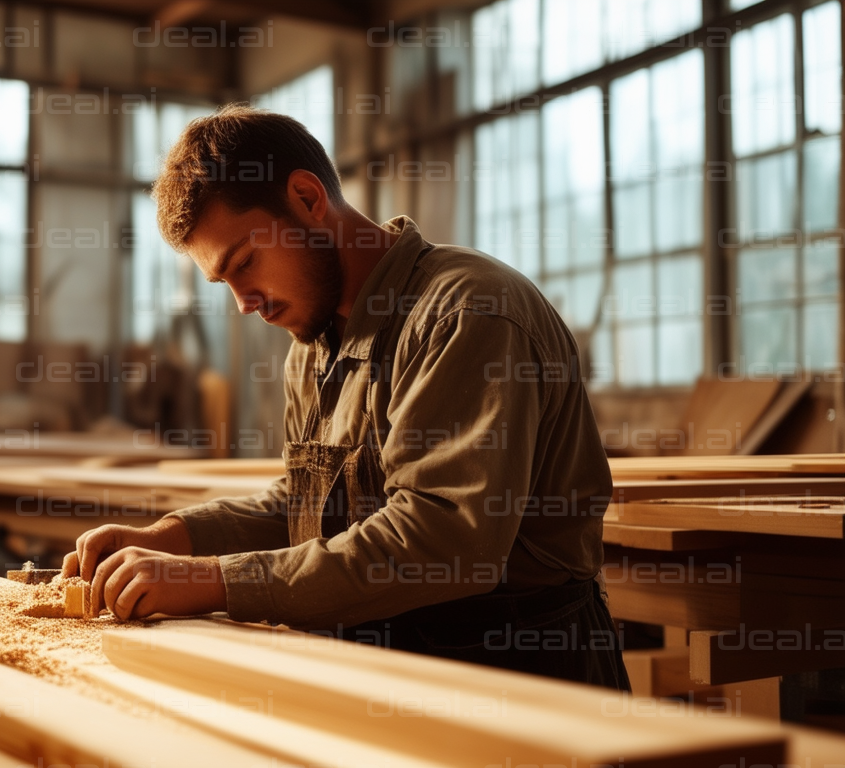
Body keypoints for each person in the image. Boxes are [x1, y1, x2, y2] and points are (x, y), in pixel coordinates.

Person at [61, 104, 629, 690]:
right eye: (223, 281)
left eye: (246, 263)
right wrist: (174, 537)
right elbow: (307, 504)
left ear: (308, 199)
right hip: (390, 663)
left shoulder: (466, 313)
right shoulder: (312, 343)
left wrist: (215, 580)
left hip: (519, 673)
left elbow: (442, 543)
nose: (243, 302)